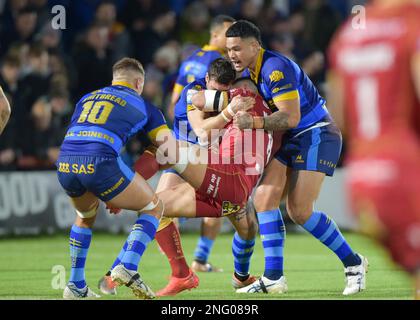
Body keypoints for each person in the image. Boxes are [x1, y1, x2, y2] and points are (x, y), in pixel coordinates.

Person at [225, 20, 367, 295]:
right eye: (229, 49)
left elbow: (291, 117)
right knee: (263, 199)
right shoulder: (253, 70)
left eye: (237, 48)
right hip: (294, 138)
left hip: (317, 134)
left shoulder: (274, 69)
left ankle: (354, 263)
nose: (232, 55)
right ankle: (274, 277)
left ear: (255, 46)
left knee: (299, 211)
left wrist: (252, 124)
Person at [106, 76, 277, 299]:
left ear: (243, 89)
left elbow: (199, 109)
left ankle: (132, 258)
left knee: (162, 159)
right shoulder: (268, 117)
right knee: (153, 207)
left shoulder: (239, 98)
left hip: (220, 172)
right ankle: (202, 275)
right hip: (226, 183)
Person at [327, 0, 420, 299]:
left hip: (363, 177)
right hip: (407, 169)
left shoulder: (346, 36)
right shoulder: (412, 24)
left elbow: (339, 117)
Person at [57, 57, 170, 299]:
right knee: (154, 207)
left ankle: (75, 285)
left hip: (66, 159)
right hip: (100, 160)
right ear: (139, 82)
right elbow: (169, 148)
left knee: (85, 216)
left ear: (114, 79)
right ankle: (128, 266)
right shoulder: (144, 105)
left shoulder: (86, 98)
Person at [167, 14, 236, 274]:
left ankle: (178, 264)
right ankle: (199, 259)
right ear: (216, 34)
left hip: (180, 136)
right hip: (202, 142)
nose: (232, 43)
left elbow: (175, 100)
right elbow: (209, 113)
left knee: (164, 205)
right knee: (226, 205)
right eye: (229, 35)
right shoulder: (218, 64)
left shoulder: (190, 59)